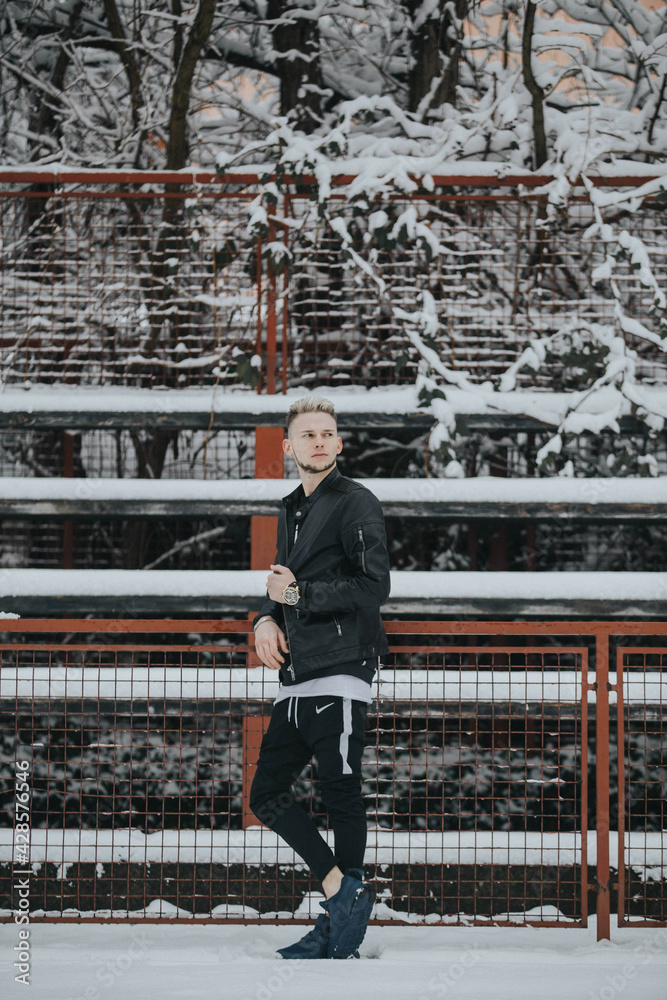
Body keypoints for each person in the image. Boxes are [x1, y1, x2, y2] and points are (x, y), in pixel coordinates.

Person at [249, 395, 391, 960]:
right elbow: (282, 583)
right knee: (265, 793)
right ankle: (343, 893)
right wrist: (264, 618)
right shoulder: (294, 507)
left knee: (340, 790)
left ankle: (339, 928)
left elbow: (373, 586)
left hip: (342, 666)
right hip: (298, 673)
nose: (319, 442)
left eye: (328, 433)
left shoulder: (357, 502)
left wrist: (296, 597)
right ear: (289, 447)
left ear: (339, 442)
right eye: (308, 435)